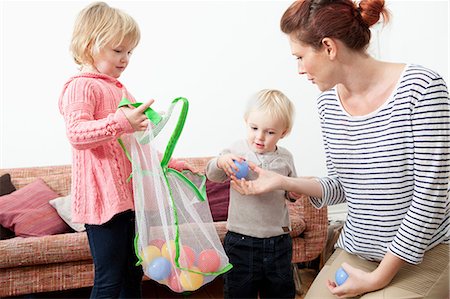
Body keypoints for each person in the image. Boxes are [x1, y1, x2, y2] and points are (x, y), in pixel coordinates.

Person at [231, 0, 450, 298]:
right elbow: (340, 185)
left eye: (299, 57)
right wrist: (281, 181)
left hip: (426, 254)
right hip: (358, 251)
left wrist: (377, 279)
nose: (298, 69)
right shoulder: (328, 104)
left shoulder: (422, 88)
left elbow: (431, 197)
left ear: (329, 47)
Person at [58, 2, 190, 298]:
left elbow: (132, 145)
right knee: (109, 279)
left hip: (129, 200)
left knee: (133, 273)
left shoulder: (119, 88)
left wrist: (168, 162)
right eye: (118, 51)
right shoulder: (81, 87)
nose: (126, 59)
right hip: (101, 204)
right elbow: (76, 134)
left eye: (130, 52)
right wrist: (121, 121)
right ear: (91, 44)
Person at [206, 89, 298, 299]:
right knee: (239, 291)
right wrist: (221, 161)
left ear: (283, 132)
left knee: (281, 292)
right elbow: (213, 174)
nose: (260, 136)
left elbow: (290, 192)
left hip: (279, 240)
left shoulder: (285, 158)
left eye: (270, 132)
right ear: (246, 121)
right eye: (254, 128)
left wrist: (294, 194)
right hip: (241, 240)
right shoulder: (235, 151)